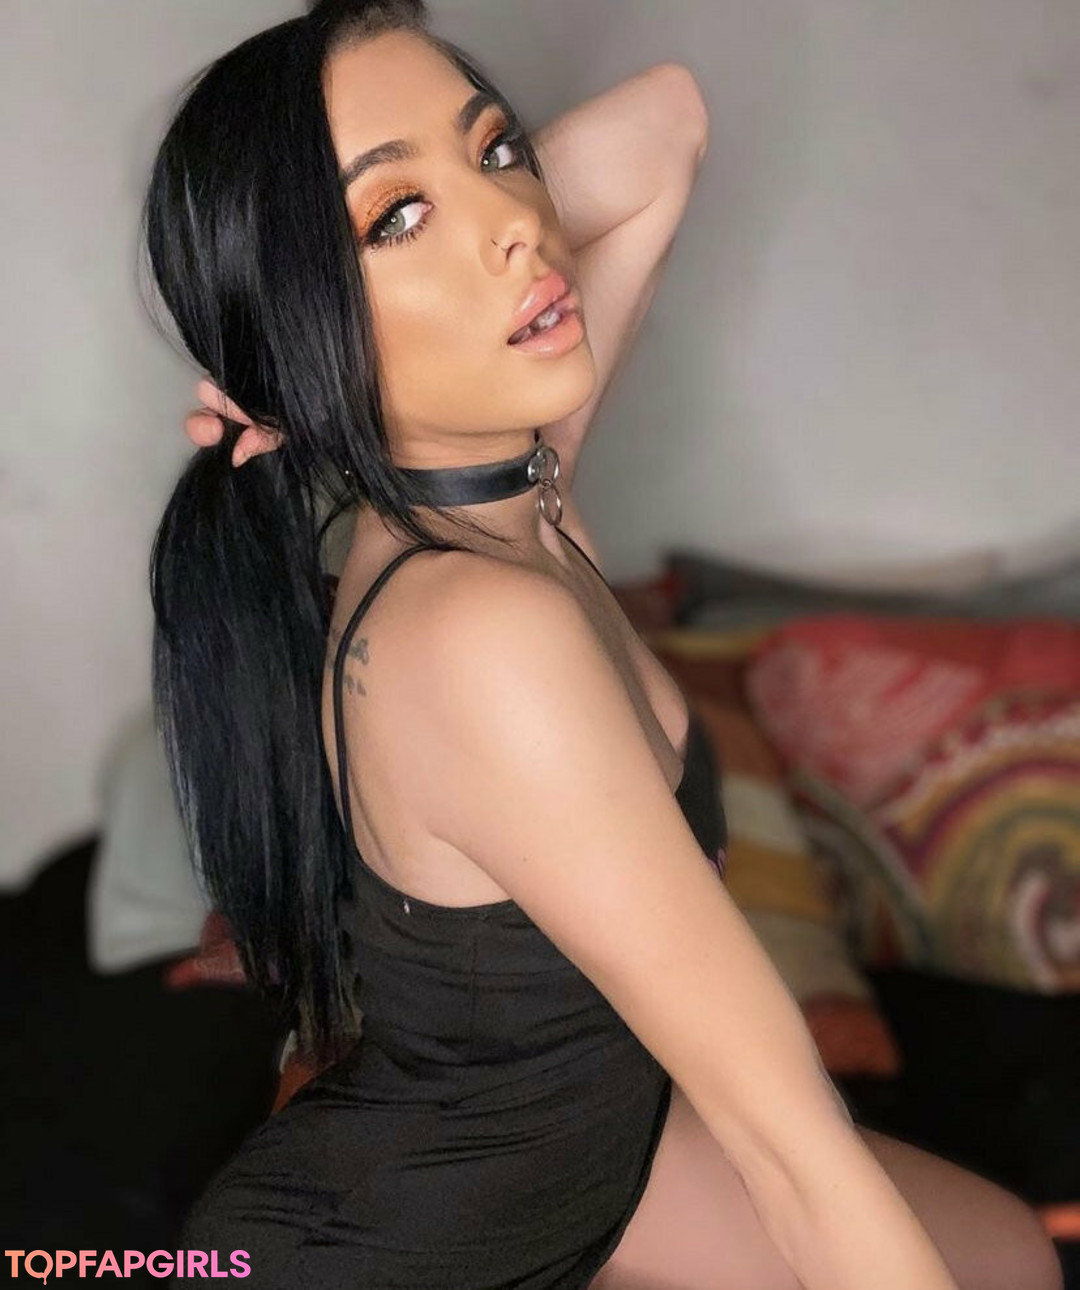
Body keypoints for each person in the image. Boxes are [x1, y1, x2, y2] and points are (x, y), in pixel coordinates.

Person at [147, 1, 1063, 1286]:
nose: (516, 221)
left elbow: (665, 122)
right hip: (416, 1245)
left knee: (1012, 1251)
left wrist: (338, 320)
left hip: (586, 1146)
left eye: (498, 149)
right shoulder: (479, 633)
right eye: (396, 218)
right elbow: (791, 1143)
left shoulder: (512, 499)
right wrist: (301, 342)